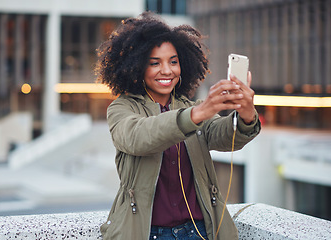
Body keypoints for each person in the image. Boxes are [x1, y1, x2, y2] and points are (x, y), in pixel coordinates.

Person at [95, 12, 261, 240]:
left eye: (173, 61)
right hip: (146, 233)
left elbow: (223, 136)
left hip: (199, 231)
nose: (167, 70)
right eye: (155, 63)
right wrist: (198, 113)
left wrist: (246, 115)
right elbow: (138, 137)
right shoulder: (122, 108)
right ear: (136, 67)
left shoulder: (191, 107)